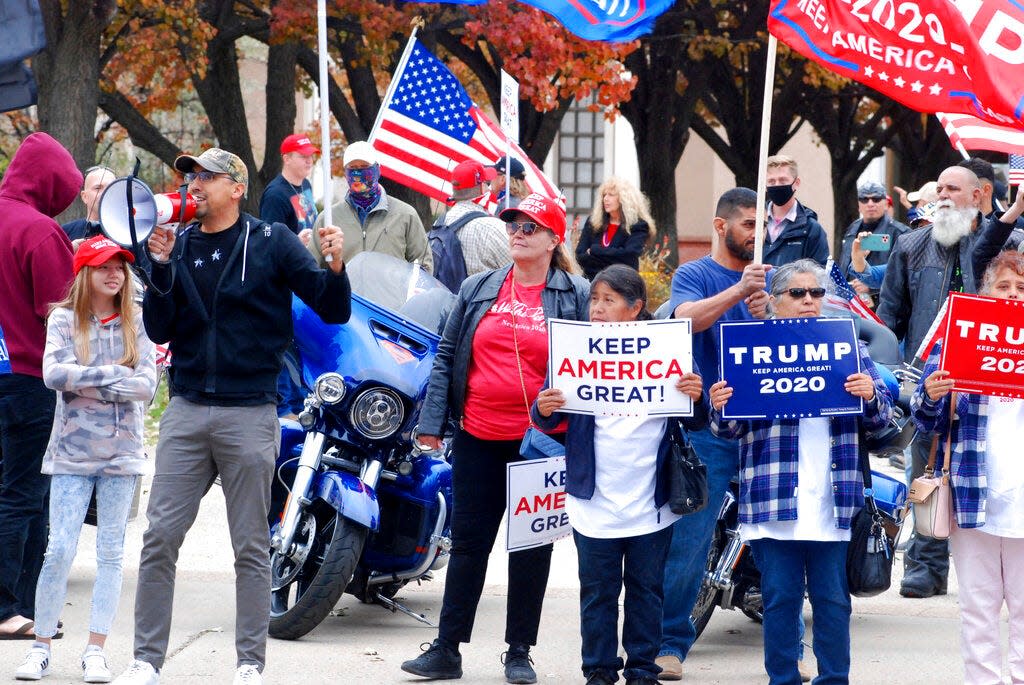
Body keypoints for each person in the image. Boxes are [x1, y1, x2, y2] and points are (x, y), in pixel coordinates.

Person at [112, 147, 352, 685]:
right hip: (188, 409)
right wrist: (164, 267)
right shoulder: (180, 242)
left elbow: (332, 308)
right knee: (159, 539)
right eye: (189, 176)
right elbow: (159, 330)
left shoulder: (271, 242)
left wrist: (335, 267)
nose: (192, 184)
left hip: (249, 411)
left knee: (249, 545)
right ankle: (146, 661)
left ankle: (249, 663)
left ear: (236, 187)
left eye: (205, 177)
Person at [400, 193, 589, 684]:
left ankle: (520, 652)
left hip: (542, 445)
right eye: (514, 225)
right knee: (467, 546)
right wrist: (431, 423)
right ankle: (446, 649)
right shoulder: (478, 286)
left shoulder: (576, 293)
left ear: (554, 238)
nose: (519, 233)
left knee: (531, 549)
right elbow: (447, 355)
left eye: (531, 226)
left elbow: (606, 356)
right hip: (478, 436)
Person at [710, 259, 893, 685]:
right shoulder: (750, 347)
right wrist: (720, 404)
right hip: (774, 497)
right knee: (780, 600)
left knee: (833, 601)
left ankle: (834, 678)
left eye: (816, 293)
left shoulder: (847, 345)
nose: (809, 301)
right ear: (774, 301)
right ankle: (783, 679)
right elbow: (726, 428)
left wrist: (869, 397)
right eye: (797, 293)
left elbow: (883, 420)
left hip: (833, 498)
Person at [531, 264, 707, 685]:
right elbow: (545, 416)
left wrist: (696, 397)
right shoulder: (575, 350)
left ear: (636, 308)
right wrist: (544, 407)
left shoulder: (666, 350)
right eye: (594, 299)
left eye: (609, 300)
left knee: (647, 591)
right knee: (597, 593)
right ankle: (598, 670)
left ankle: (642, 670)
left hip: (651, 499)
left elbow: (696, 421)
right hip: (594, 500)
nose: (598, 308)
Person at [15, 236, 157, 682]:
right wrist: (116, 373)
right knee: (58, 550)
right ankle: (40, 647)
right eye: (102, 267)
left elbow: (146, 387)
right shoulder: (63, 319)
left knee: (111, 553)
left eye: (119, 266)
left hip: (123, 455)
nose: (113, 273)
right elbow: (54, 374)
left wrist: (87, 381)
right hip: (71, 454)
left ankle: (96, 650)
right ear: (84, 274)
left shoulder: (138, 321)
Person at [878, 165, 1023, 599]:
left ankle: (1000, 565)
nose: (941, 195)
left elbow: (984, 262)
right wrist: (894, 375)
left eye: (951, 189)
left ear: (979, 195)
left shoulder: (1009, 241)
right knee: (928, 468)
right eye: (937, 187)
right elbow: (889, 314)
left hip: (998, 380)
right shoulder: (911, 244)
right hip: (935, 377)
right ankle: (926, 564)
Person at [656, 188, 770, 681]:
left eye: (760, 225)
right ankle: (668, 643)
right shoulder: (695, 274)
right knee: (690, 540)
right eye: (747, 224)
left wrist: (776, 314)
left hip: (765, 432)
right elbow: (683, 320)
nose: (756, 234)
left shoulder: (772, 278)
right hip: (709, 430)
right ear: (721, 227)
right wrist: (739, 292)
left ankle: (788, 642)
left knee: (783, 538)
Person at [911, 251, 1024, 684]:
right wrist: (935, 395)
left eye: (1020, 288)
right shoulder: (958, 341)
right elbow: (924, 421)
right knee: (978, 607)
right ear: (985, 293)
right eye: (1003, 286)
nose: (1012, 295)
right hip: (973, 496)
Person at [0, 132, 81, 641]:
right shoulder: (39, 231)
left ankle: (27, 605)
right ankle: (10, 607)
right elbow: (62, 313)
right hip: (30, 379)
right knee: (26, 495)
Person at [310, 140, 432, 272]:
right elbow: (310, 268)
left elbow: (423, 266)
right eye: (353, 168)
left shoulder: (405, 215)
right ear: (345, 173)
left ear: (378, 170)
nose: (358, 174)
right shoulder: (328, 219)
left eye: (364, 166)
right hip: (345, 292)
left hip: (390, 293)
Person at [437, 159, 512, 276]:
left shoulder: (440, 222)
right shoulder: (494, 228)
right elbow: (519, 269)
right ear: (482, 188)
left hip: (445, 293)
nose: (489, 188)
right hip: (484, 294)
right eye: (487, 184)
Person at [575, 177, 653, 280]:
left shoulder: (638, 225)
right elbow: (580, 256)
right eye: (604, 195)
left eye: (611, 195)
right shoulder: (593, 222)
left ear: (624, 199)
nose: (605, 199)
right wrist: (615, 257)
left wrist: (595, 250)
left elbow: (629, 256)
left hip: (622, 284)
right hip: (592, 283)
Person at [763, 155, 829, 267]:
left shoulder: (811, 229)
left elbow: (820, 273)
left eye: (783, 180)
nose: (777, 185)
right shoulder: (754, 222)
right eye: (771, 181)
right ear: (764, 185)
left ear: (796, 183)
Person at [838, 181, 909, 282]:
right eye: (864, 199)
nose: (870, 204)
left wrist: (871, 286)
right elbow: (844, 264)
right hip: (850, 295)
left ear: (885, 204)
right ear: (858, 205)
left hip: (881, 296)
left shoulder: (900, 233)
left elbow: (905, 272)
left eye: (876, 199)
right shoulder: (852, 229)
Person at [259, 133, 320, 236]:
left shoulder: (306, 184)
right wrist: (297, 242)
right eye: (303, 156)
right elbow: (268, 239)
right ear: (287, 159)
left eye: (310, 155)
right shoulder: (274, 195)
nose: (309, 161)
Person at [62, 166, 116, 244]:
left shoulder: (131, 234)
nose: (105, 193)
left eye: (111, 188)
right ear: (84, 197)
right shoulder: (65, 233)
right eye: (98, 188)